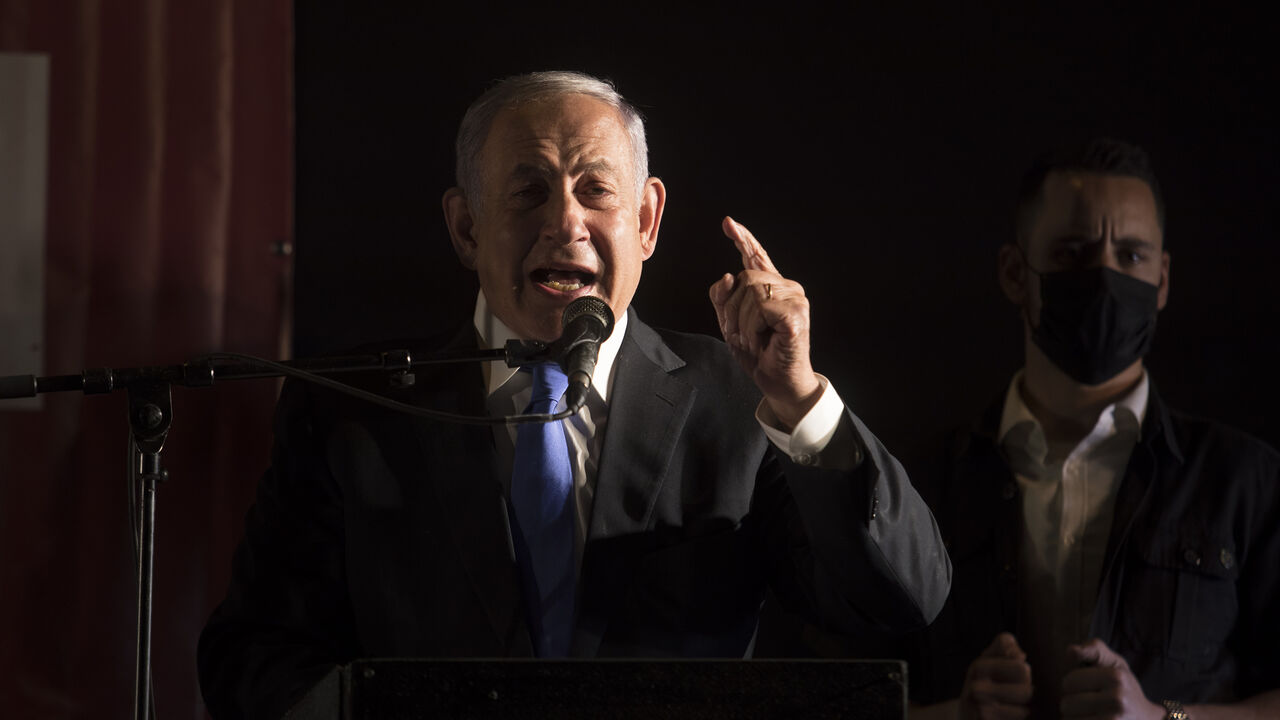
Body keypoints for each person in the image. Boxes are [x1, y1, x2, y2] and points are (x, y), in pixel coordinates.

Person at [197, 70, 951, 718]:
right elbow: (254, 658)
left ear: (647, 220)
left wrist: (800, 399)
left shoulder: (740, 400)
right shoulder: (351, 411)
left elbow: (901, 603)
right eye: (528, 191)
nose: (566, 221)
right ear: (465, 227)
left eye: (597, 190)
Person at [909, 139, 1280, 719]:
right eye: (1073, 252)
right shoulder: (923, 484)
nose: (1104, 279)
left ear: (1161, 280)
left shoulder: (1247, 481)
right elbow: (845, 689)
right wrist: (953, 715)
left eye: (1130, 256)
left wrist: (1163, 719)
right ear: (1014, 273)